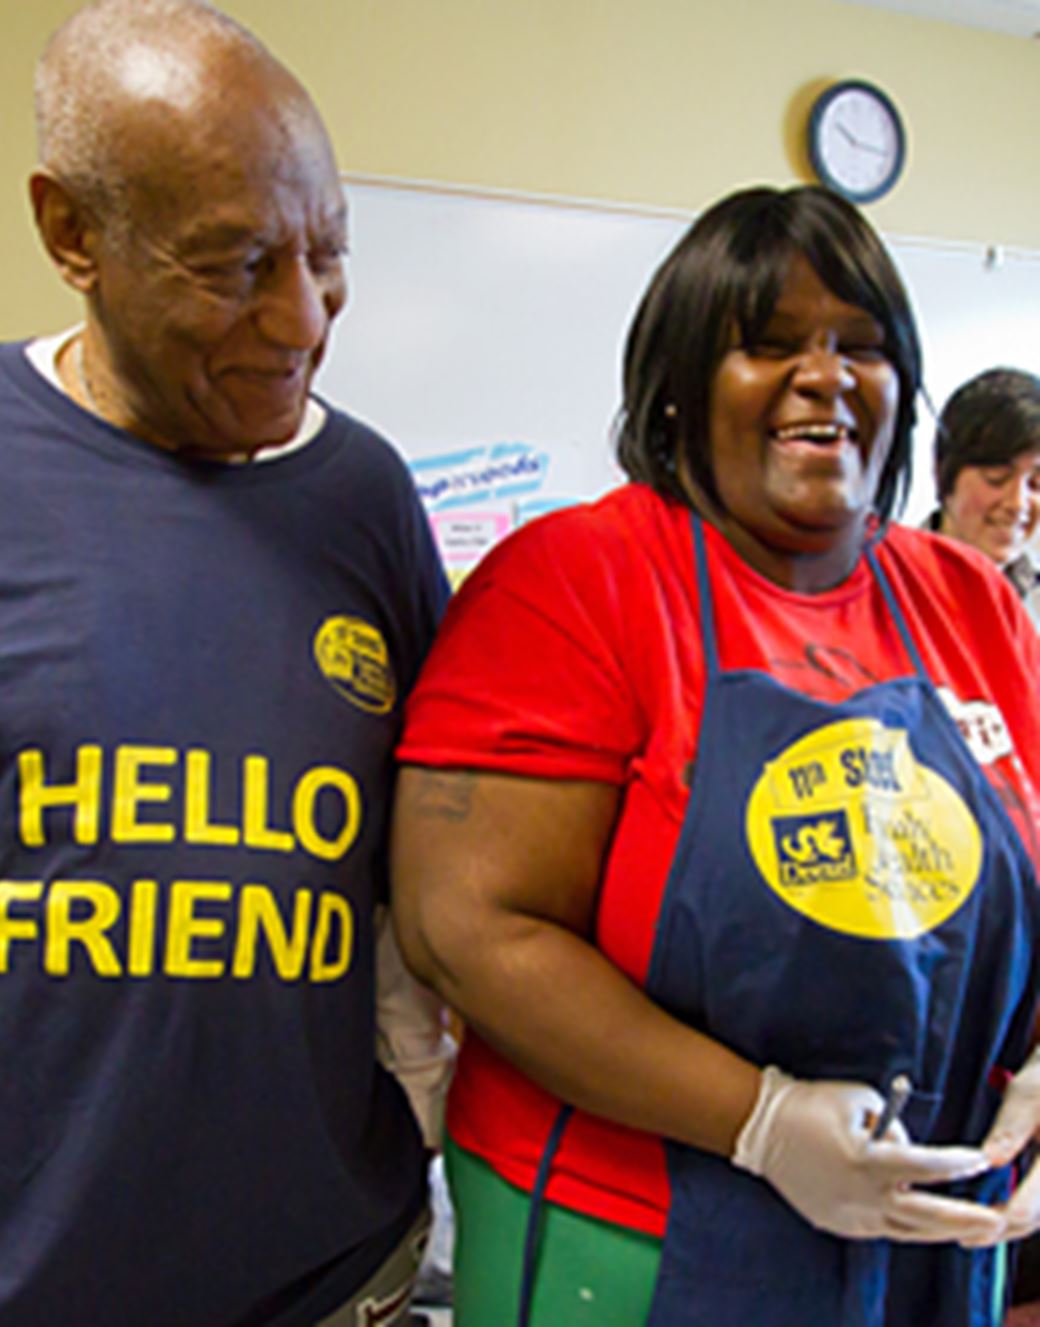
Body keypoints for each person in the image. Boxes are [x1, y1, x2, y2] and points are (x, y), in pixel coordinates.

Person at [0, 2, 451, 1323]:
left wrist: (410, 1112)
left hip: (319, 1281)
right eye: (238, 262)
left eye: (327, 250)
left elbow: (399, 876)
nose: (302, 315)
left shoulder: (364, 494)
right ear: (71, 233)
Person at [390, 184, 1040, 1326]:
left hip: (928, 1240)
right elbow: (467, 928)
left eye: (862, 345)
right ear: (681, 386)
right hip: (634, 1240)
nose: (825, 376)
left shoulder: (971, 605)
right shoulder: (570, 584)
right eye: (767, 344)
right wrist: (760, 1119)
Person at [924, 368, 1040, 629]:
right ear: (943, 472)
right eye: (996, 477)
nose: (1018, 503)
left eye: (1036, 483)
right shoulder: (888, 583)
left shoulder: (1033, 591)